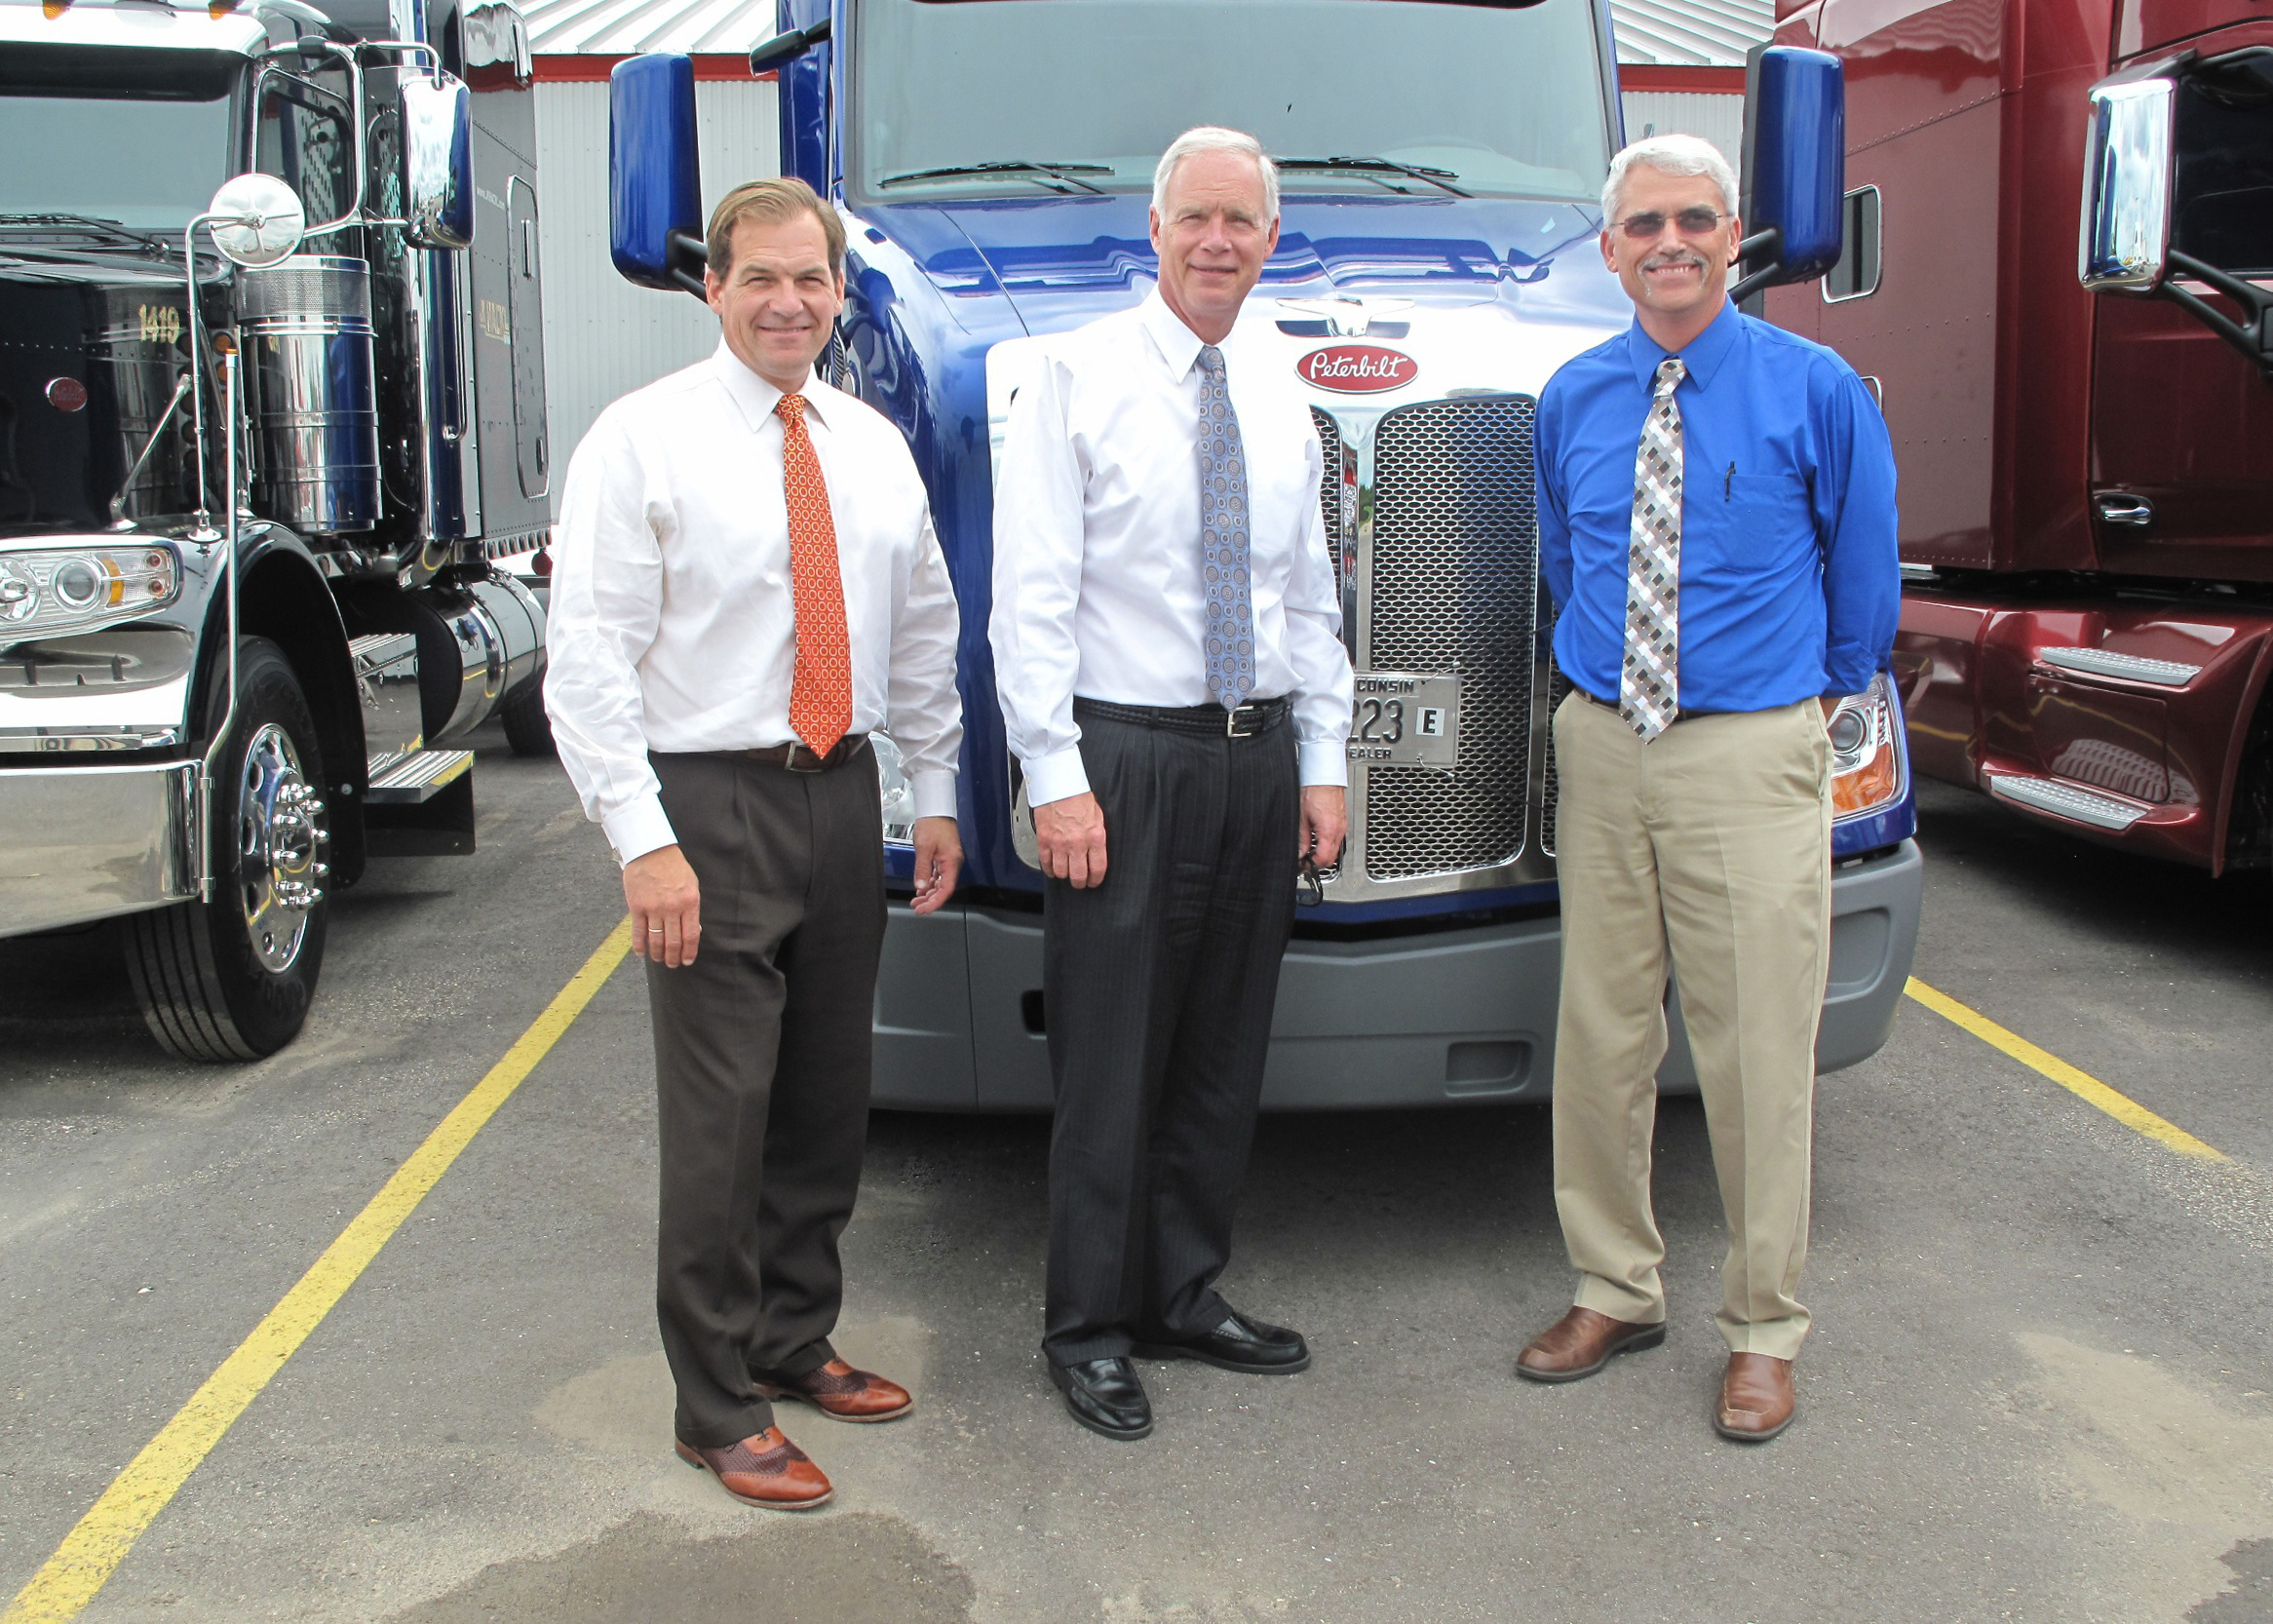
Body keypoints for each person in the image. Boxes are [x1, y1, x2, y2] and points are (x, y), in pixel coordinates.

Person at [546, 177, 965, 1508]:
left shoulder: (870, 444)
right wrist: (641, 840)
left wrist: (937, 788)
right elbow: (588, 659)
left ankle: (793, 1338)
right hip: (706, 805)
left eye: (812, 279)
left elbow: (920, 634)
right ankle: (713, 1400)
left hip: (838, 794)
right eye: (761, 278)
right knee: (722, 1118)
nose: (789, 301)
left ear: (841, 292)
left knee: (826, 1097)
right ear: (713, 288)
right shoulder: (642, 440)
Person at [1518, 135, 1899, 1442]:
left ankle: (1763, 1328)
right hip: (1607, 743)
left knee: (1754, 1054)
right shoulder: (1572, 395)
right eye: (1643, 223)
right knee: (1603, 1039)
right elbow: (1568, 563)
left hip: (1749, 749)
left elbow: (1863, 574)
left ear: (1733, 237)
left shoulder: (1817, 386)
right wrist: (1604, 703)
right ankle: (1614, 1286)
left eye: (1694, 218)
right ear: (1610, 247)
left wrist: (1803, 700)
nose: (1669, 241)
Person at [990, 126, 1355, 1442]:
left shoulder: (1276, 390)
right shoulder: (1073, 381)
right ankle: (1086, 1323)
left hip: (1254, 762)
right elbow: (1028, 603)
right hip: (1124, 762)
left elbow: (1306, 596)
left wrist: (1321, 761)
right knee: (1111, 1059)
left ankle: (1183, 1289)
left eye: (1242, 222)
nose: (1218, 242)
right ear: (1153, 229)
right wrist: (1057, 779)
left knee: (1217, 1048)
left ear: (1270, 238)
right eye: (1196, 217)